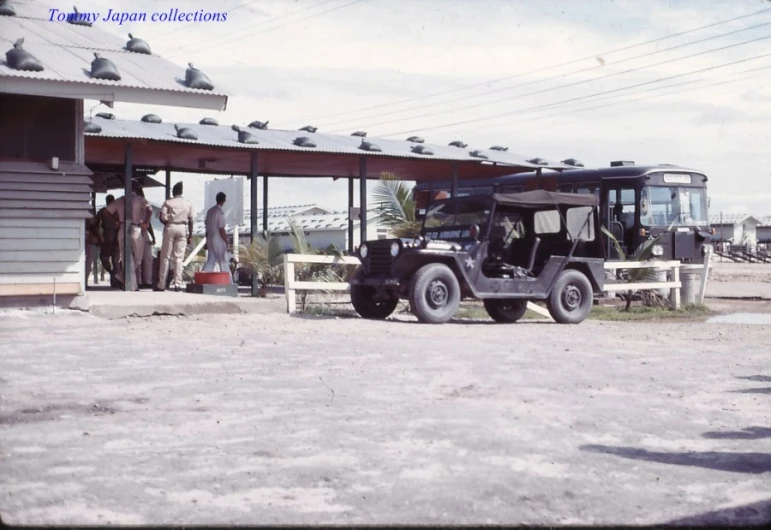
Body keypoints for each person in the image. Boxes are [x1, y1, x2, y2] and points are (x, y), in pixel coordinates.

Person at [106, 182, 152, 291]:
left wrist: (116, 219)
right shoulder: (140, 199)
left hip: (122, 228)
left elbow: (107, 211)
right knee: (138, 259)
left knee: (127, 258)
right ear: (135, 188)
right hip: (136, 228)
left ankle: (123, 278)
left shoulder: (119, 199)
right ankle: (130, 283)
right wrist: (145, 222)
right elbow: (150, 210)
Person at [156, 182, 195, 291]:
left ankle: (161, 284)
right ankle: (177, 284)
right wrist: (190, 235)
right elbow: (191, 220)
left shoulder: (168, 202)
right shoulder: (188, 203)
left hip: (171, 227)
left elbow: (162, 218)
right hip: (183, 228)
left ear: (174, 191)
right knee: (179, 258)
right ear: (181, 191)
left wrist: (167, 222)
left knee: (165, 257)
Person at [202, 191, 232, 281]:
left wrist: (207, 241)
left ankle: (203, 278)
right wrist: (226, 242)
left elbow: (207, 228)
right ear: (224, 201)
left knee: (211, 260)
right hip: (217, 237)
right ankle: (228, 281)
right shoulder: (220, 212)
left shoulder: (210, 211)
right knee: (223, 260)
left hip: (210, 236)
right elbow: (221, 229)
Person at [134, 187, 156, 289]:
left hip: (143, 230)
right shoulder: (135, 203)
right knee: (139, 257)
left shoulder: (142, 205)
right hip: (137, 228)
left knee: (146, 257)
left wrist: (153, 236)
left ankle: (147, 280)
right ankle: (139, 280)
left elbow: (149, 223)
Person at [97, 194, 120, 287]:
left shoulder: (116, 211)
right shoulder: (104, 211)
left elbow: (96, 223)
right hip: (109, 236)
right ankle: (113, 276)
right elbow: (96, 223)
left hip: (112, 237)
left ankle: (114, 278)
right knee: (110, 258)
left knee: (113, 259)